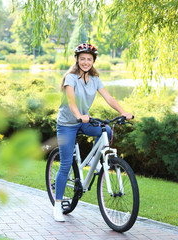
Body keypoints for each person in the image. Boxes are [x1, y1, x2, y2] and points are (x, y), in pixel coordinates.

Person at [53, 43, 134, 222]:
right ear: (77, 59)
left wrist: (123, 112)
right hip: (68, 123)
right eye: (82, 59)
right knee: (66, 165)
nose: (85, 62)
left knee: (106, 129)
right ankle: (57, 205)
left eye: (89, 59)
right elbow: (71, 101)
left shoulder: (95, 79)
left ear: (93, 61)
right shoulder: (70, 78)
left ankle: (99, 161)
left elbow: (109, 97)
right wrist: (79, 115)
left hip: (84, 120)